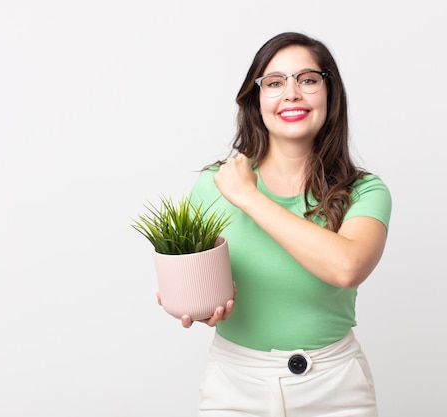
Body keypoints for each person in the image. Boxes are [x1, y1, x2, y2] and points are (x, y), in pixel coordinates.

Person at [158, 31, 392, 416]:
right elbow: (193, 278)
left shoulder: (365, 191)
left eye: (308, 80)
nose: (292, 94)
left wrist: (250, 197)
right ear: (257, 99)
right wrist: (197, 305)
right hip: (235, 386)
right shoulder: (214, 184)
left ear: (330, 94)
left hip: (336, 388)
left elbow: (346, 267)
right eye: (275, 82)